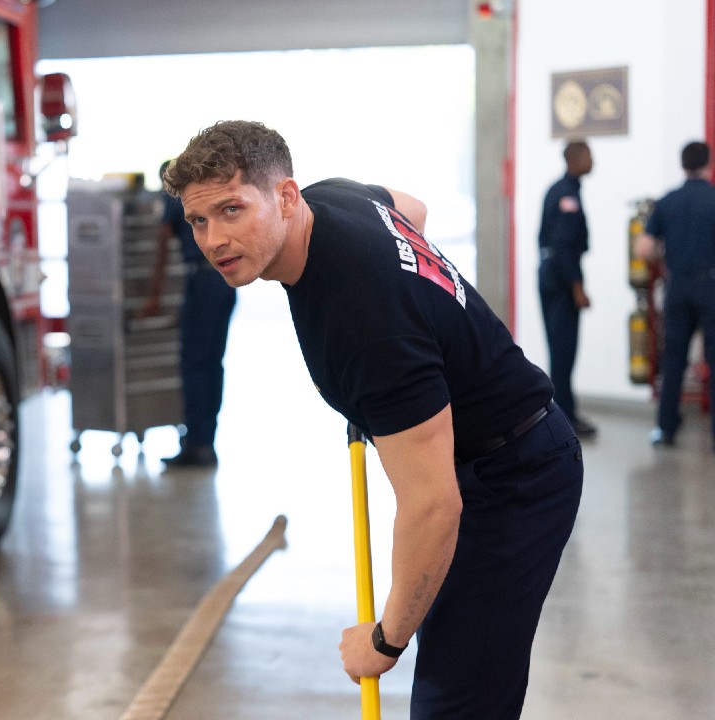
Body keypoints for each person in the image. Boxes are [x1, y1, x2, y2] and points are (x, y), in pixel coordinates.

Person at [164, 120, 582, 719]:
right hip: (487, 451)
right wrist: (402, 374)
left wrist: (385, 640)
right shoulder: (335, 198)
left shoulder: (363, 325)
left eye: (233, 210)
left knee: (456, 699)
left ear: (286, 196)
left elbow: (433, 506)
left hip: (514, 478)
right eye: (199, 220)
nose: (214, 239)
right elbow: (413, 209)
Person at [143, 159, 237, 467]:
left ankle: (197, 444)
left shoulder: (175, 197)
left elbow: (161, 246)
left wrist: (154, 297)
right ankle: (206, 441)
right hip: (224, 281)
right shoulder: (207, 194)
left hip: (201, 282)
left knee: (194, 363)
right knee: (212, 363)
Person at [635, 141, 715, 447]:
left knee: (673, 360)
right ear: (708, 163)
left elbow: (643, 248)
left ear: (682, 165)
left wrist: (665, 253)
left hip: (677, 287)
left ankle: (665, 429)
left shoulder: (668, 201)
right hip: (709, 286)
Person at [537, 140, 598, 436]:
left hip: (554, 274)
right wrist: (577, 287)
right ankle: (562, 421)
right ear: (575, 158)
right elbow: (562, 246)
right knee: (563, 352)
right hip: (560, 279)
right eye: (588, 155)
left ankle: (567, 414)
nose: (592, 160)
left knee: (562, 351)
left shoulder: (566, 190)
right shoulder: (566, 195)